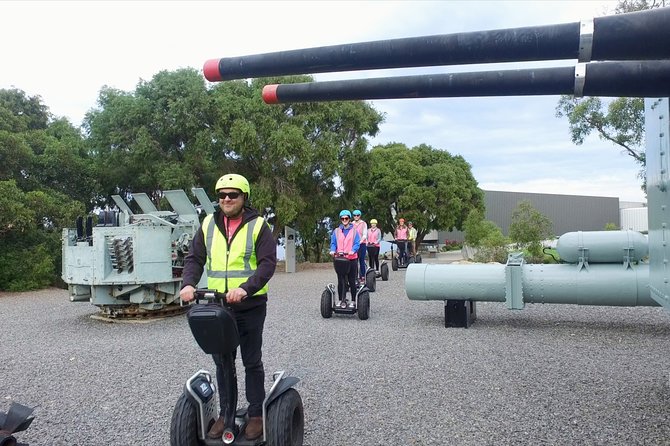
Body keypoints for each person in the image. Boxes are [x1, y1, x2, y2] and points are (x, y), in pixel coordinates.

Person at [179, 173, 277, 441]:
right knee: (222, 362)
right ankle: (226, 414)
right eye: (222, 195)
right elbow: (195, 258)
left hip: (250, 305)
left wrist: (246, 288)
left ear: (244, 197)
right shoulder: (209, 223)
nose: (226, 199)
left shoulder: (258, 226)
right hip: (218, 306)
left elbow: (268, 263)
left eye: (232, 194)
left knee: (251, 360)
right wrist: (188, 283)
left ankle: (256, 413)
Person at [329, 210, 360, 307]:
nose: (344, 220)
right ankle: (341, 300)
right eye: (342, 218)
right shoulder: (336, 231)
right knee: (341, 280)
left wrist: (353, 250)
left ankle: (354, 301)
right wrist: (333, 250)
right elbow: (333, 243)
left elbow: (357, 243)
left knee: (351, 280)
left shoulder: (354, 231)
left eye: (346, 218)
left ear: (349, 219)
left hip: (351, 258)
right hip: (340, 259)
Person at [351, 209, 368, 283]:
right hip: (354, 245)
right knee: (354, 261)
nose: (356, 217)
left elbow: (364, 235)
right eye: (354, 215)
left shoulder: (363, 223)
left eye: (357, 215)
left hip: (362, 244)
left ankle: (362, 276)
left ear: (360, 216)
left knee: (361, 260)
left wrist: (360, 242)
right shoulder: (351, 224)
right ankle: (355, 277)